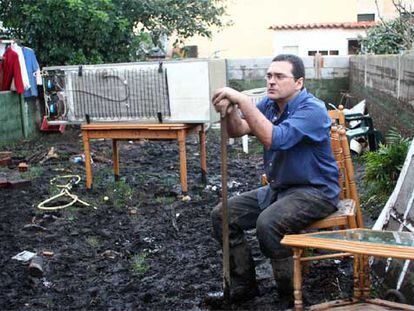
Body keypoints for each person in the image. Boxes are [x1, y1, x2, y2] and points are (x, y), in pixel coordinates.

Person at [207, 54, 340, 306]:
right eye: (269, 76)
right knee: (223, 215)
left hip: (316, 191)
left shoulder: (312, 109)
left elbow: (274, 138)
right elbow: (238, 129)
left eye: (279, 76)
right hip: (280, 188)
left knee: (268, 224)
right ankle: (244, 286)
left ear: (298, 83)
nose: (271, 81)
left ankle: (289, 295)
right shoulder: (269, 106)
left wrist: (243, 101)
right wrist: (231, 111)